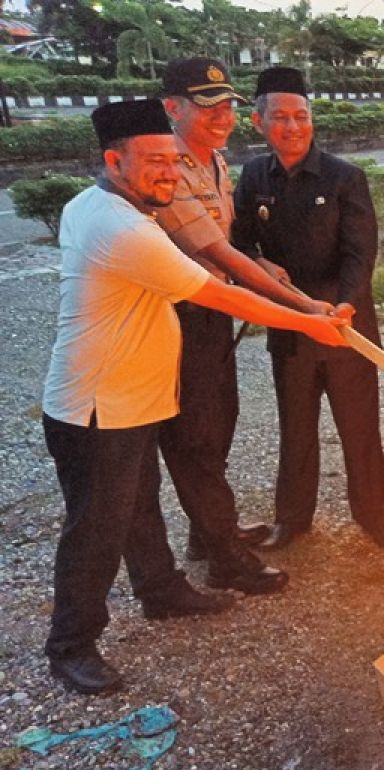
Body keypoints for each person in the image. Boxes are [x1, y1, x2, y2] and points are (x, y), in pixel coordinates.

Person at [41, 99, 349, 694]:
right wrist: (307, 320)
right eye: (153, 161)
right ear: (114, 160)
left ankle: (160, 591)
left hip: (134, 398)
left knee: (140, 506)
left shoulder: (103, 201)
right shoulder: (121, 226)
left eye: (174, 161)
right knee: (96, 530)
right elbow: (220, 293)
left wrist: (303, 306)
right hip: (97, 407)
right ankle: (70, 644)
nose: (170, 173)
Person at [157, 57, 322, 594]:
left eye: (226, 104)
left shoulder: (216, 162)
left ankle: (210, 533)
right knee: (197, 436)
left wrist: (264, 265)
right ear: (172, 108)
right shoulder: (168, 166)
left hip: (214, 316)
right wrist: (300, 307)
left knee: (218, 424)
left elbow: (234, 245)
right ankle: (225, 558)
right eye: (206, 107)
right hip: (182, 317)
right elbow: (217, 253)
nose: (220, 115)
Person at [232, 67, 384, 550]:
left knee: (360, 428)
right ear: (259, 121)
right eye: (279, 117)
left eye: (301, 116)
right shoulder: (254, 176)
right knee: (296, 429)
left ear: (312, 120)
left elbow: (360, 252)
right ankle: (293, 518)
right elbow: (240, 241)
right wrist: (262, 265)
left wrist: (344, 306)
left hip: (346, 325)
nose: (292, 126)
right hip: (291, 327)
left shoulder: (346, 177)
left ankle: (372, 514)